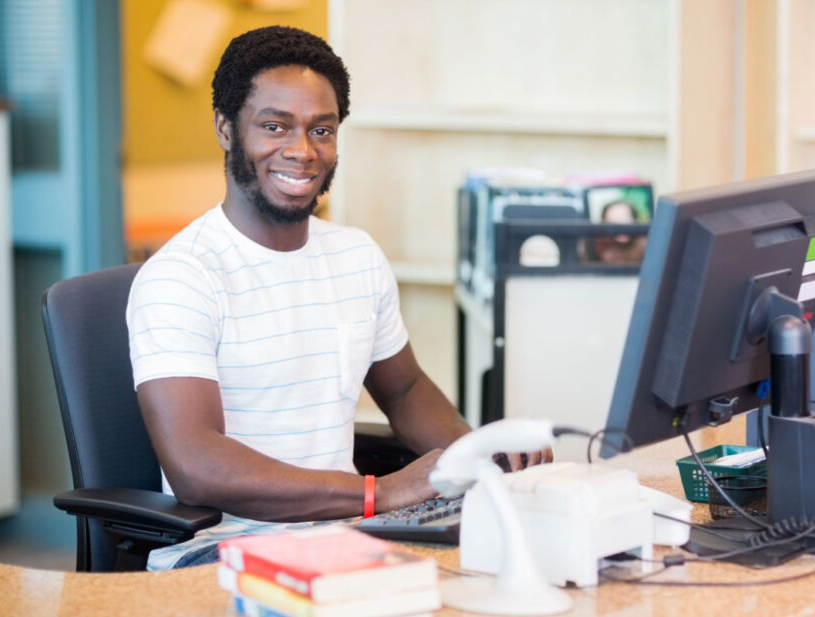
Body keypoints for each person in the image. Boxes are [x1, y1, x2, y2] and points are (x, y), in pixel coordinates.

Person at [127, 26, 550, 570]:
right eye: (275, 126)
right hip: (220, 554)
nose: (301, 151)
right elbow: (195, 463)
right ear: (226, 129)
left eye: (321, 130)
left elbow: (405, 390)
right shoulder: (182, 278)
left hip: (345, 538)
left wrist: (475, 454)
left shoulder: (356, 256)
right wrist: (381, 493)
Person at [593, 200, 647, 264]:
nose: (620, 224)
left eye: (625, 218)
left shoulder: (646, 244)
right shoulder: (598, 246)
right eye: (613, 220)